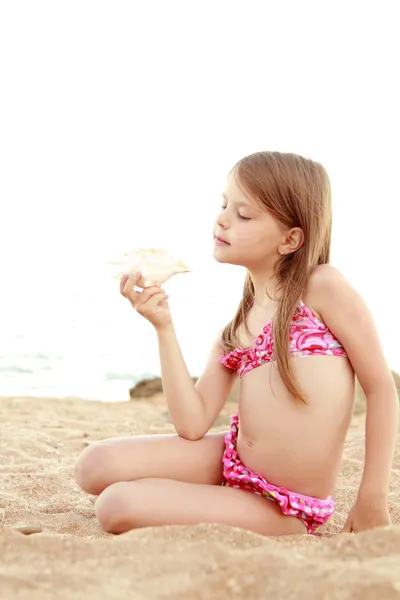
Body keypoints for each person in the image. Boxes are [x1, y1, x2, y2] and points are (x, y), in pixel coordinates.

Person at [75, 151, 398, 536]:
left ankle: (272, 522)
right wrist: (163, 325)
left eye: (244, 214)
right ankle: (213, 498)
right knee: (92, 465)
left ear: (290, 239)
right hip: (232, 460)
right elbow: (193, 424)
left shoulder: (322, 288)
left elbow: (380, 387)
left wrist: (372, 497)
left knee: (116, 504)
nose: (222, 219)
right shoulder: (237, 327)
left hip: (282, 501)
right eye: (224, 205)